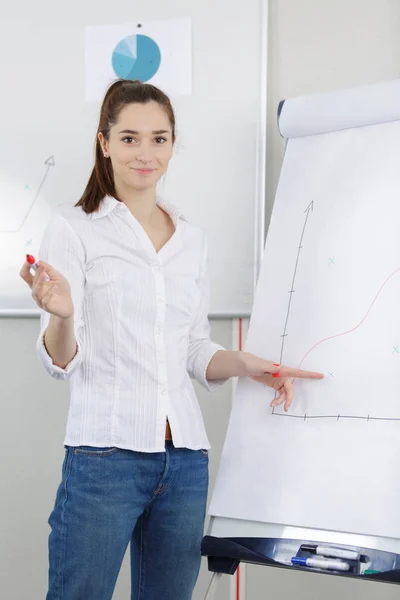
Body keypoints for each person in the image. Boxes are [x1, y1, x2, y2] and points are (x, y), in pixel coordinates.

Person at [20, 79, 323, 600]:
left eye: (159, 139)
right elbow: (61, 361)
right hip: (104, 457)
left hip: (184, 461)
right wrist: (64, 315)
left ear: (172, 144)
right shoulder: (74, 228)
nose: (145, 152)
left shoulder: (192, 238)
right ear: (105, 142)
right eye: (130, 138)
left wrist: (250, 365)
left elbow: (192, 348)